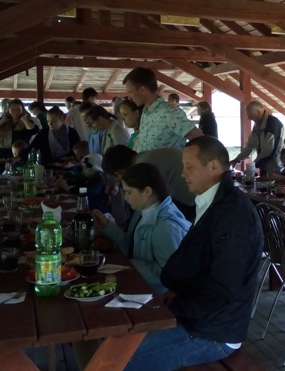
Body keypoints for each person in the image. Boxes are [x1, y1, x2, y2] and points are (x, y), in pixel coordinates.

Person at [124, 136, 263, 371]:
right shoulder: (213, 202)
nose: (182, 173)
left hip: (215, 331)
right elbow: (204, 264)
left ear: (213, 166)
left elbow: (225, 286)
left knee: (117, 361)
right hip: (200, 317)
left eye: (189, 167)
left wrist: (178, 306)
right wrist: (176, 293)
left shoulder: (233, 215)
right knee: (117, 344)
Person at [113, 163, 191, 295]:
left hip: (156, 296)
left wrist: (130, 267)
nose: (125, 198)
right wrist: (106, 226)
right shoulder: (141, 212)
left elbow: (170, 274)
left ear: (147, 191)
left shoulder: (165, 226)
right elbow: (131, 246)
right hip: (141, 286)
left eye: (129, 192)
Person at [101, 145, 196, 221]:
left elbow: (148, 201)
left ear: (118, 172)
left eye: (116, 177)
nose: (118, 181)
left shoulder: (142, 169)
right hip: (196, 191)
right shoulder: (143, 157)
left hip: (192, 202)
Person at [123, 67, 203, 152]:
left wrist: (188, 158)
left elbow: (201, 140)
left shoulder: (169, 112)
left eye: (130, 92)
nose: (129, 98)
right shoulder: (145, 112)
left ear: (142, 90)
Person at [231, 101, 285, 176]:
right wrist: (237, 159)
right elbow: (250, 146)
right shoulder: (257, 125)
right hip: (264, 166)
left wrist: (253, 165)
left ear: (258, 112)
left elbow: (268, 151)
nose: (249, 118)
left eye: (251, 115)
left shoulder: (273, 124)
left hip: (276, 167)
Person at [0, 98, 39, 174]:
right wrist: (2, 121)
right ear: (9, 110)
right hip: (1, 157)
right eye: (13, 109)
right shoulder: (2, 121)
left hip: (20, 157)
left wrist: (24, 119)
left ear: (22, 110)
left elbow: (34, 130)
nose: (15, 112)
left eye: (18, 109)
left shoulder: (27, 121)